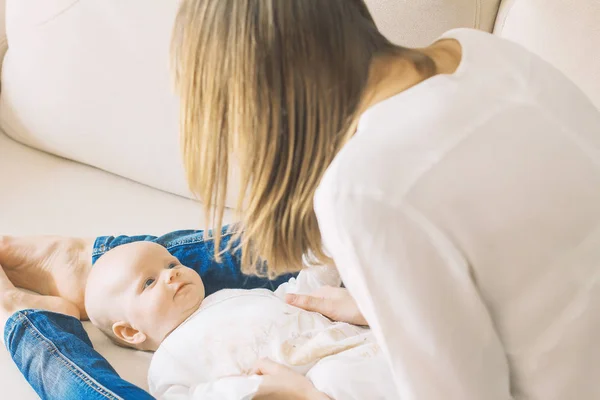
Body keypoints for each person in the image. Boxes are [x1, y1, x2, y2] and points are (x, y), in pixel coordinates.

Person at [1, 0, 599, 399]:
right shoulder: (477, 50)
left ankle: (34, 320)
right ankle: (103, 262)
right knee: (302, 260)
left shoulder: (366, 189)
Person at [85, 241, 396, 399]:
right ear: (130, 331)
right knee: (335, 377)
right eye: (149, 282)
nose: (172, 273)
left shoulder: (229, 296)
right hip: (315, 381)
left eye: (172, 262)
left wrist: (324, 256)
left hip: (361, 343)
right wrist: (253, 386)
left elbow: (299, 295)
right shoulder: (170, 361)